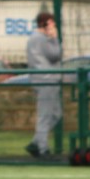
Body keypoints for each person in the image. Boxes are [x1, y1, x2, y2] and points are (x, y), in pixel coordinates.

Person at [25, 12, 62, 159]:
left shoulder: (33, 39)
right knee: (45, 116)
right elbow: (55, 55)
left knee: (56, 114)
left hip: (43, 79)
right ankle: (43, 149)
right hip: (47, 79)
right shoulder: (42, 39)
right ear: (46, 24)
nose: (54, 26)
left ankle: (35, 143)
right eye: (52, 23)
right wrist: (55, 39)